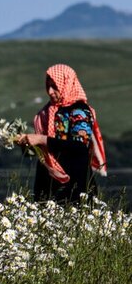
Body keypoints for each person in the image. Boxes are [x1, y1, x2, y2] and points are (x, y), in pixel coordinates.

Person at [18, 64, 107, 203]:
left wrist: (41, 139)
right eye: (48, 86)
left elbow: (79, 147)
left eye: (55, 86)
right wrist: (27, 144)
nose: (50, 91)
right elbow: (43, 152)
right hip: (47, 184)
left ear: (66, 84)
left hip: (75, 185)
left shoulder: (80, 111)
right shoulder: (46, 112)